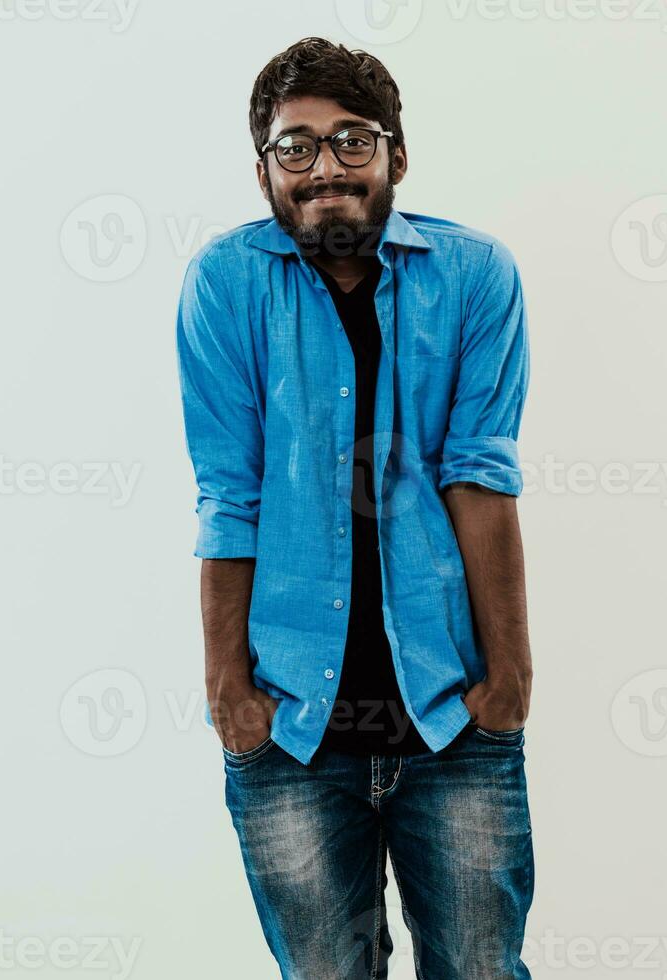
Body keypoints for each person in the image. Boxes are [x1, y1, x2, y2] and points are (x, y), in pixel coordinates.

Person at [176, 35, 534, 980]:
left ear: (395, 157)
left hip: (452, 719)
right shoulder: (224, 285)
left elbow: (479, 474)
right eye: (295, 146)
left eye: (350, 140)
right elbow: (230, 493)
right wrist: (230, 696)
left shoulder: (474, 277)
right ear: (264, 170)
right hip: (290, 725)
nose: (324, 166)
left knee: (482, 972)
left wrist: (508, 685)